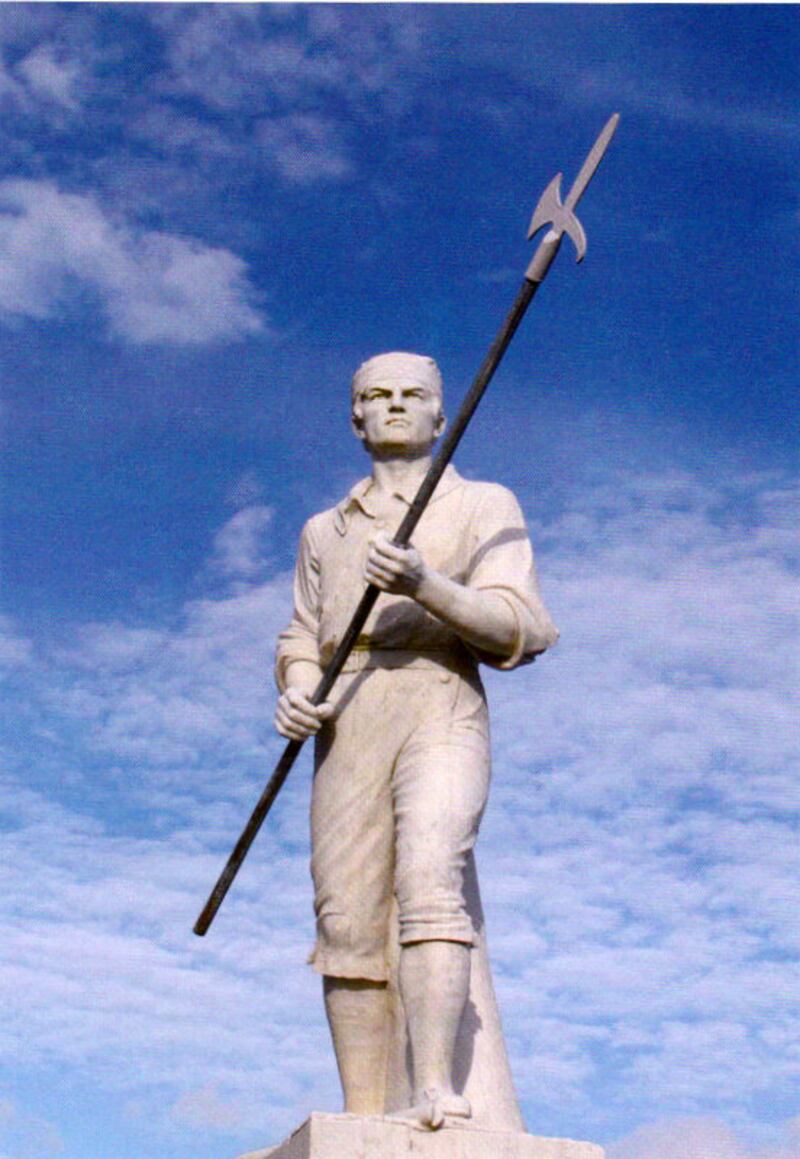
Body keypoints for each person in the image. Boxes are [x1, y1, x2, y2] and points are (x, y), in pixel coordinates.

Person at [274, 351, 558, 1130]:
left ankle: (436, 1089)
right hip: (350, 713)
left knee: (432, 874)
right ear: (355, 416)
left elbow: (522, 627)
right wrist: (299, 686)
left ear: (440, 413)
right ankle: (364, 1112)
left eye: (413, 395)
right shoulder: (322, 530)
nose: (395, 406)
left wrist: (424, 583)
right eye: (376, 395)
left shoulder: (483, 504)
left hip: (439, 696)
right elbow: (302, 633)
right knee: (346, 917)